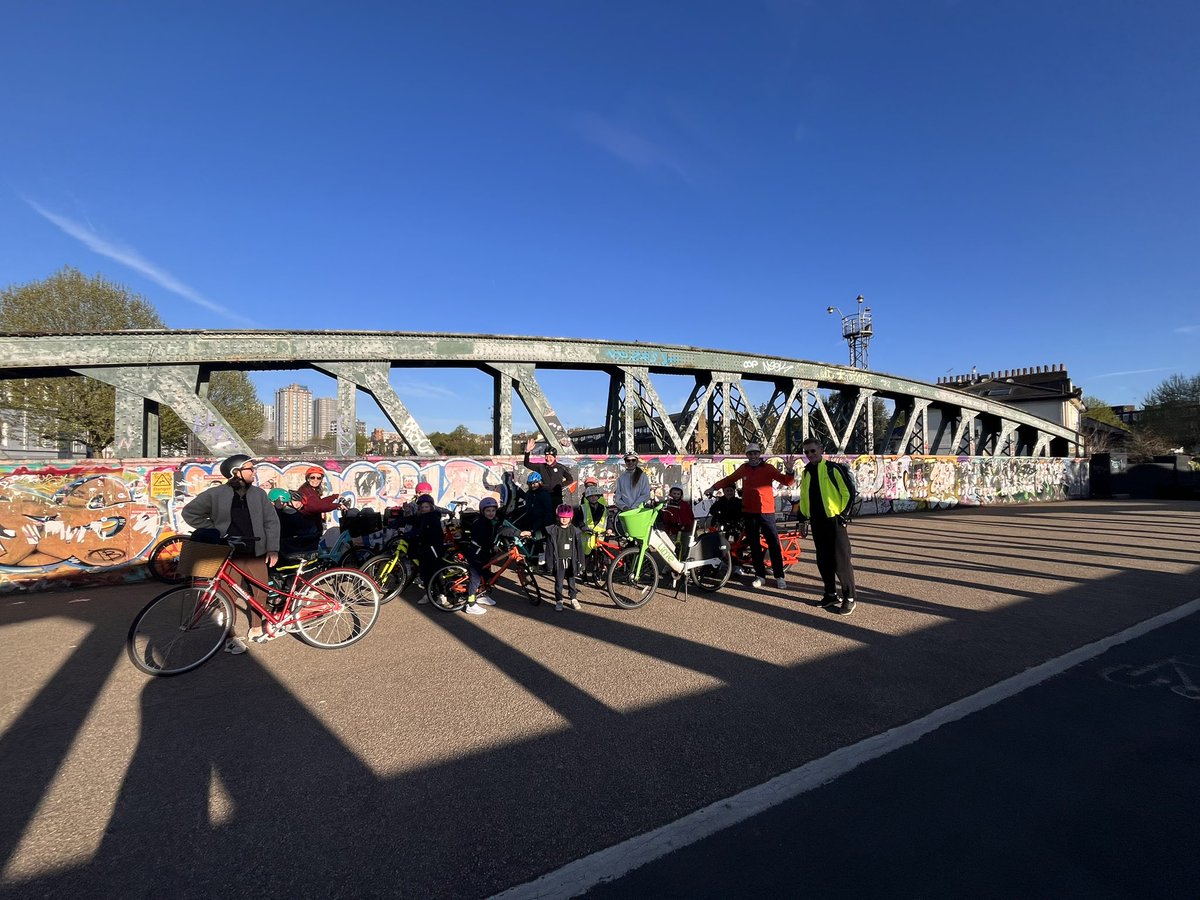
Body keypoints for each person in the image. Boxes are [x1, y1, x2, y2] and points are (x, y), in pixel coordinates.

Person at [182, 454, 280, 653]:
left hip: (255, 551)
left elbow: (271, 522)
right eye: (250, 469)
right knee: (226, 595)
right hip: (228, 553)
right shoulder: (216, 494)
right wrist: (215, 530)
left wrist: (273, 548)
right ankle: (230, 637)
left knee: (261, 591)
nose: (254, 472)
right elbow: (190, 512)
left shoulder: (259, 494)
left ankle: (255, 628)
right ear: (236, 472)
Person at [704, 443, 794, 590]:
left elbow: (787, 481)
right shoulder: (744, 469)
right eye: (750, 454)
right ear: (747, 455)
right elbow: (729, 479)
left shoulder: (768, 468)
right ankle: (760, 576)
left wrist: (790, 470)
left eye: (755, 453)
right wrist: (713, 487)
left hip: (766, 511)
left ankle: (779, 576)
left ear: (759, 454)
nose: (753, 456)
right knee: (754, 545)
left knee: (773, 544)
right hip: (749, 512)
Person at [796, 437, 858, 615]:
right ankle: (830, 594)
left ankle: (850, 597)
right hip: (817, 521)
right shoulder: (807, 472)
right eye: (807, 452)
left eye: (813, 451)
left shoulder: (833, 469)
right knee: (823, 561)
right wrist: (802, 519)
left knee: (841, 561)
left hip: (834, 521)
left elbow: (848, 492)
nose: (810, 455)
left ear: (821, 450)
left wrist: (843, 516)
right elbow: (804, 497)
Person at [462, 496, 522, 617]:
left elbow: (501, 529)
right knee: (475, 578)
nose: (491, 513)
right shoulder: (481, 523)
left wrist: (519, 533)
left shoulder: (490, 522)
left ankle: (482, 595)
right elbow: (483, 539)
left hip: (483, 553)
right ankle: (471, 603)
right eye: (488, 511)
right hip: (476, 553)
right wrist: (493, 545)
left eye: (493, 511)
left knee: (486, 572)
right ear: (482, 511)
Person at [545, 503, 584, 611]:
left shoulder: (575, 531)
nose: (564, 520)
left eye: (566, 518)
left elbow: (579, 548)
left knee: (572, 581)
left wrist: (581, 562)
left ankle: (573, 598)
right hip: (559, 561)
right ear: (558, 517)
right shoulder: (553, 531)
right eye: (562, 517)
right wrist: (549, 564)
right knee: (559, 582)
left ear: (571, 518)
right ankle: (559, 600)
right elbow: (549, 549)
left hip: (571, 560)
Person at [408, 493, 446, 603]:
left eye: (426, 507)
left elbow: (426, 533)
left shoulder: (433, 517)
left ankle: (442, 594)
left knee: (437, 572)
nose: (424, 509)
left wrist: (414, 534)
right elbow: (411, 521)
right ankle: (429, 593)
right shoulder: (421, 517)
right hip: (424, 549)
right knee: (425, 573)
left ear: (431, 507)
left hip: (434, 550)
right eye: (422, 507)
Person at [524, 438, 576, 506]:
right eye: (546, 456)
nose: (548, 459)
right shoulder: (541, 466)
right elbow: (527, 464)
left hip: (556, 498)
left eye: (550, 457)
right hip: (543, 498)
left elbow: (570, 479)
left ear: (554, 457)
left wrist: (559, 486)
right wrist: (527, 452)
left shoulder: (561, 467)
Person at [576, 478, 609, 579]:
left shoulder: (603, 507)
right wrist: (582, 527)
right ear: (587, 497)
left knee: (602, 553)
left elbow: (608, 519)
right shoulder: (583, 507)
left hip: (600, 536)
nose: (593, 498)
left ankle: (602, 568)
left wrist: (609, 529)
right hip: (587, 536)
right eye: (591, 497)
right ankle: (583, 571)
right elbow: (579, 519)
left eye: (595, 496)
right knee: (586, 555)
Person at [517, 472, 555, 556]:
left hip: (541, 522)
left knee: (539, 540)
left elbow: (548, 510)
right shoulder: (529, 494)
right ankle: (532, 557)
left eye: (534, 483)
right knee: (529, 541)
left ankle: (541, 557)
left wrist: (546, 524)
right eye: (530, 484)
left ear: (539, 482)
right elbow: (527, 507)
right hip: (531, 520)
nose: (532, 485)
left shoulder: (544, 494)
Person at [660, 483, 696, 556]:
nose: (676, 496)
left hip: (685, 529)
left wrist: (690, 526)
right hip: (673, 529)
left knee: (685, 547)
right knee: (671, 548)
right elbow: (666, 518)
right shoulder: (668, 505)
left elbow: (691, 516)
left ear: (681, 495)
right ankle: (672, 563)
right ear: (671, 494)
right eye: (674, 493)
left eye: (678, 494)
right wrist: (667, 529)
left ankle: (684, 560)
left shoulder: (685, 505)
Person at [613, 451, 651, 519]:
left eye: (633, 460)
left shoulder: (643, 476)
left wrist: (634, 507)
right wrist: (625, 507)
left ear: (637, 461)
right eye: (628, 460)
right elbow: (618, 497)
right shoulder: (621, 478)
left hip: (639, 512)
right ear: (625, 462)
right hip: (626, 513)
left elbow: (646, 494)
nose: (631, 462)